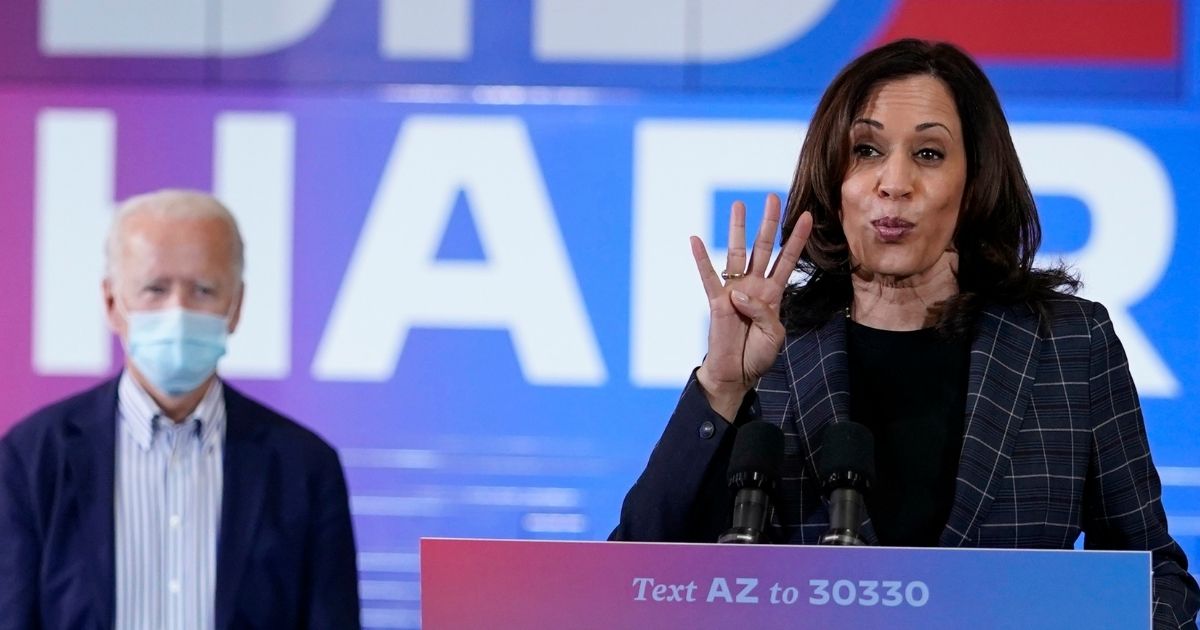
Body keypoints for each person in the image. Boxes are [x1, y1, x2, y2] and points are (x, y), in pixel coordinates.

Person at [611, 39, 1200, 627]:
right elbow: (632, 573)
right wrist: (721, 385)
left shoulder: (1070, 344)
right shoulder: (774, 346)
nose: (894, 183)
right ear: (834, 181)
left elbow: (1153, 575)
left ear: (973, 184)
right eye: (866, 150)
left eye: (928, 153)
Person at [0, 190, 361, 629]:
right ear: (113, 303)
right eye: (155, 288)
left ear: (236, 306)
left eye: (203, 290)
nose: (178, 311)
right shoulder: (32, 458)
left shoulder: (304, 468)